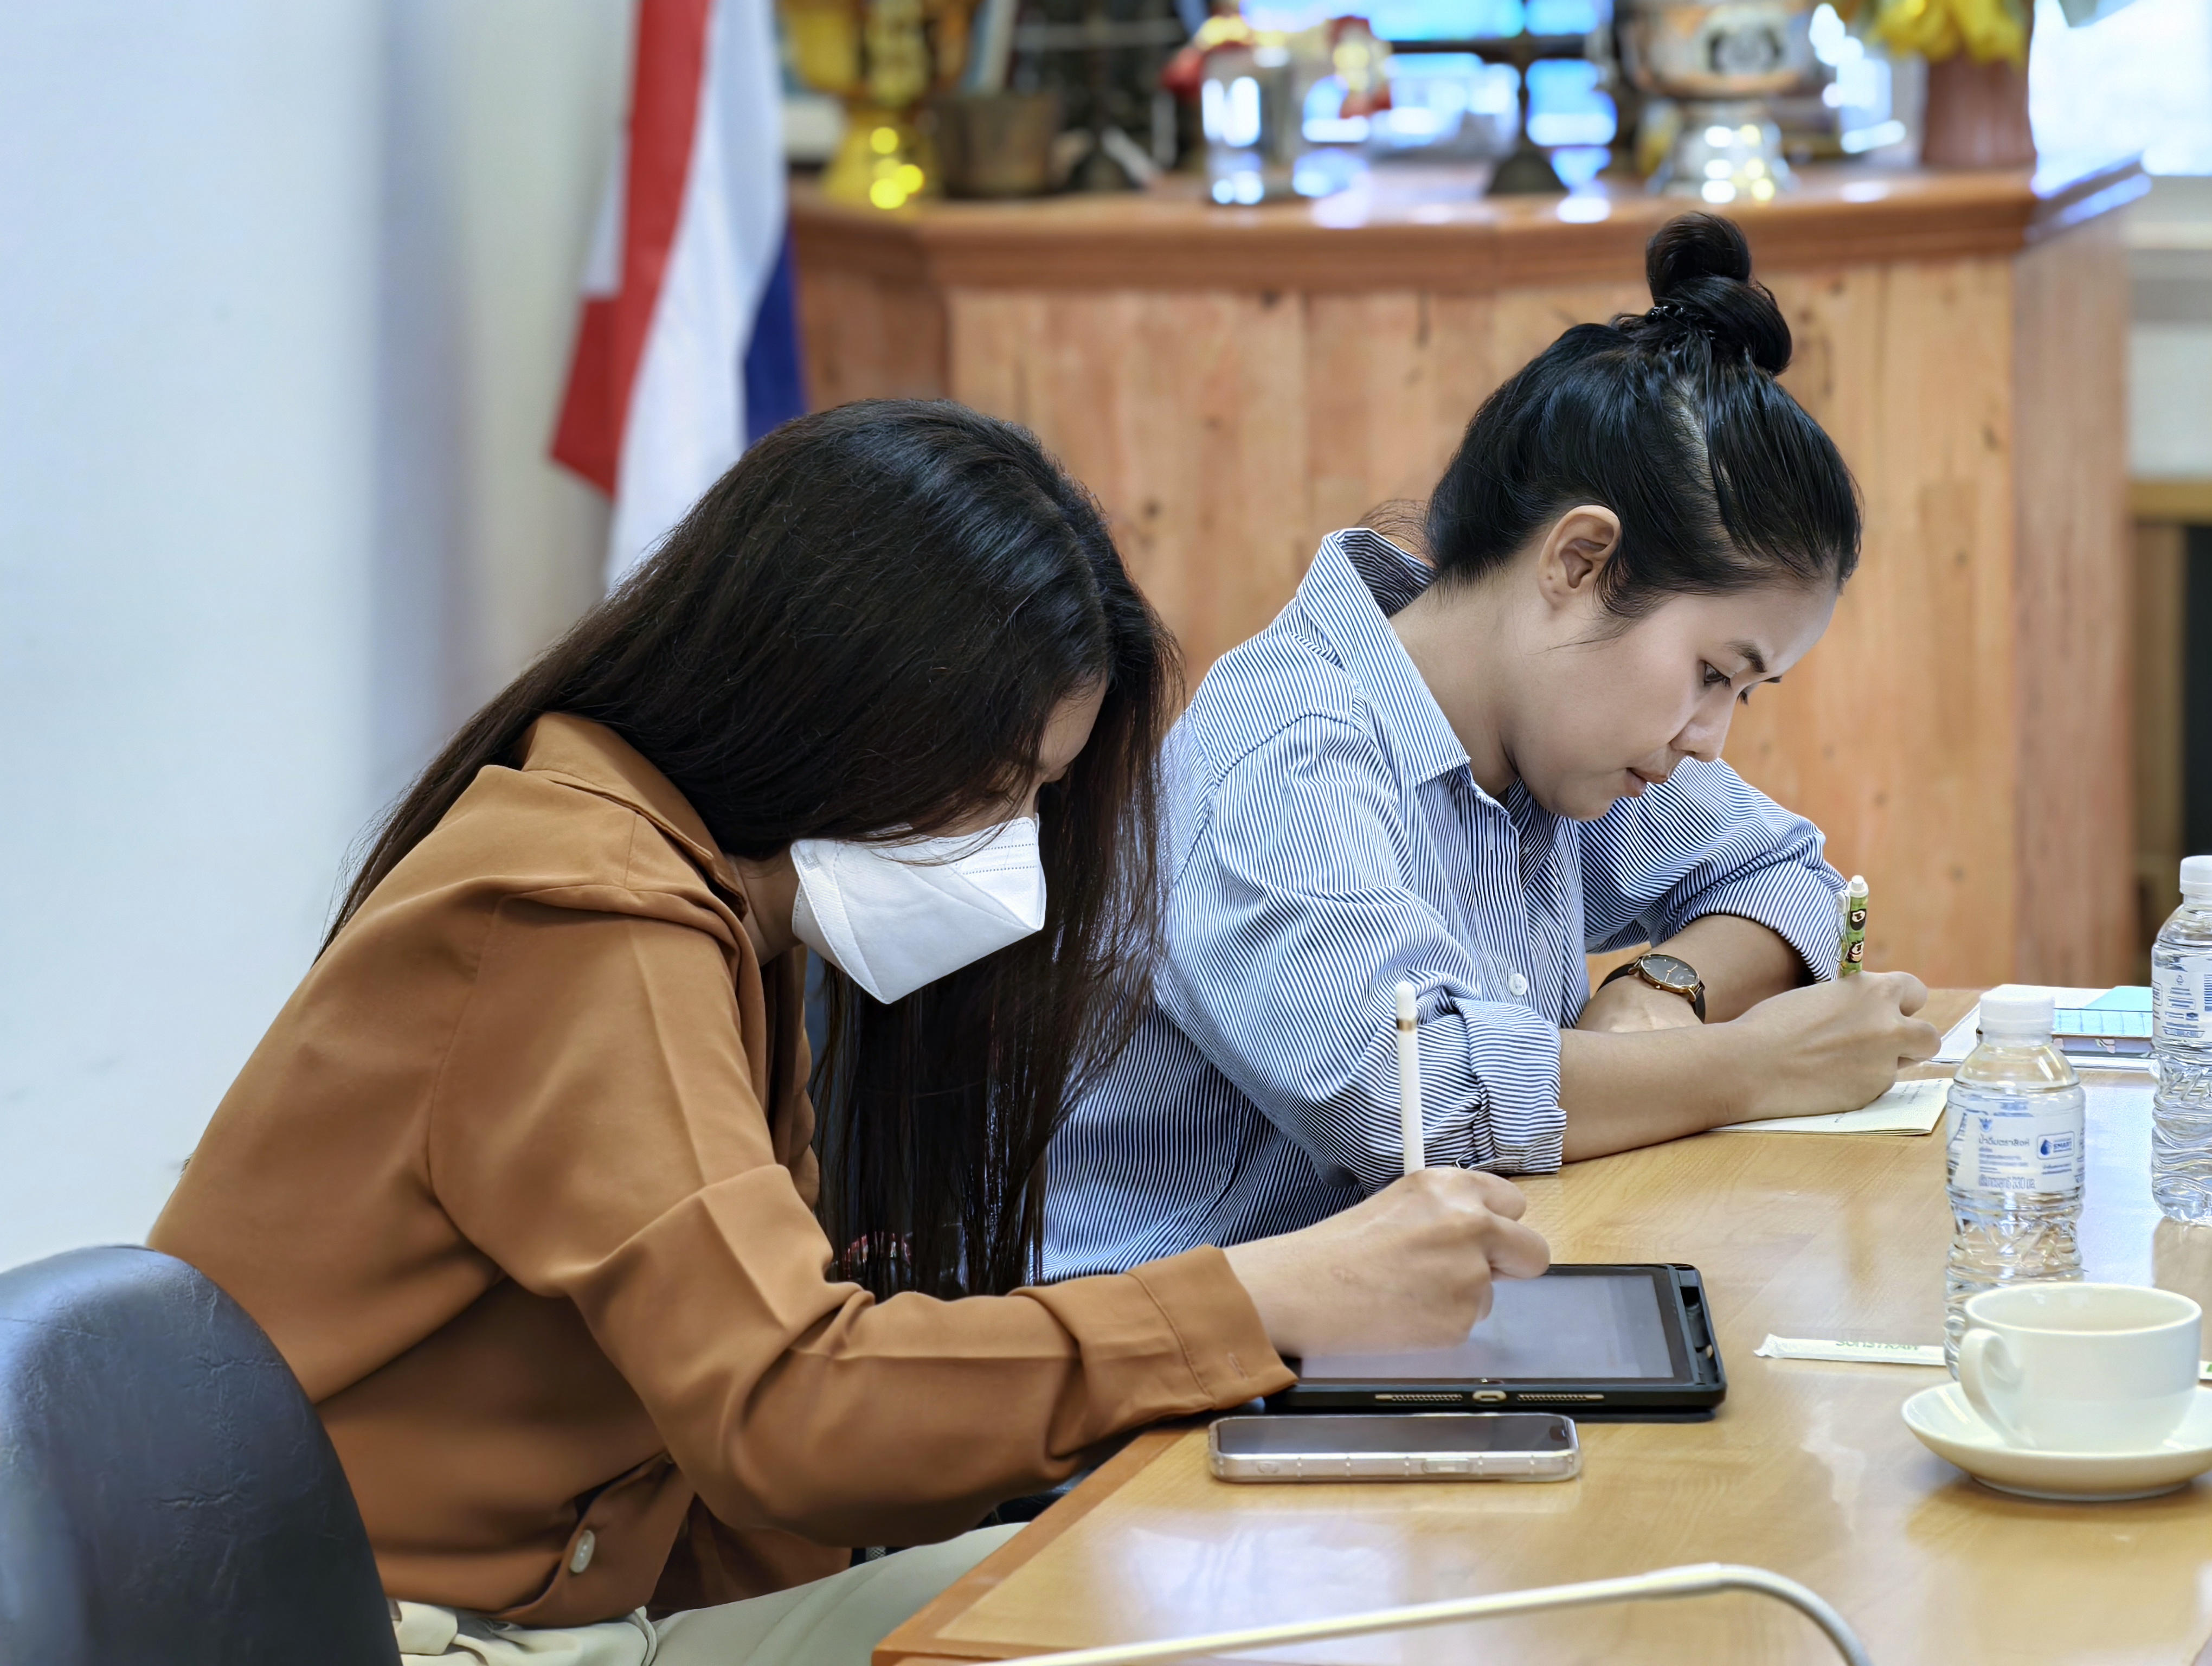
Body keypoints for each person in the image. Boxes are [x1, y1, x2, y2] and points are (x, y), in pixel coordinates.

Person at [146, 401, 1546, 1666]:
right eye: (1007, 787)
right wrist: (1256, 1301)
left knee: (1192, 1576)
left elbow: (752, 1464)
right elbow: (791, 1405)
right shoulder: (589, 916)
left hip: (568, 1614)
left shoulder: (717, 906)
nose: (1022, 853)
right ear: (850, 710)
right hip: (399, 1637)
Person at [1043, 214, 1940, 1281]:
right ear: (1581, 562)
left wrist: (1659, 994)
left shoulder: (1549, 737)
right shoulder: (1289, 750)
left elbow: (1786, 875)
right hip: (1176, 1359)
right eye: (1712, 672)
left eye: (1745, 693)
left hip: (1407, 1325)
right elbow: (1422, 1107)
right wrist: (1757, 1065)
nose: (1710, 738)